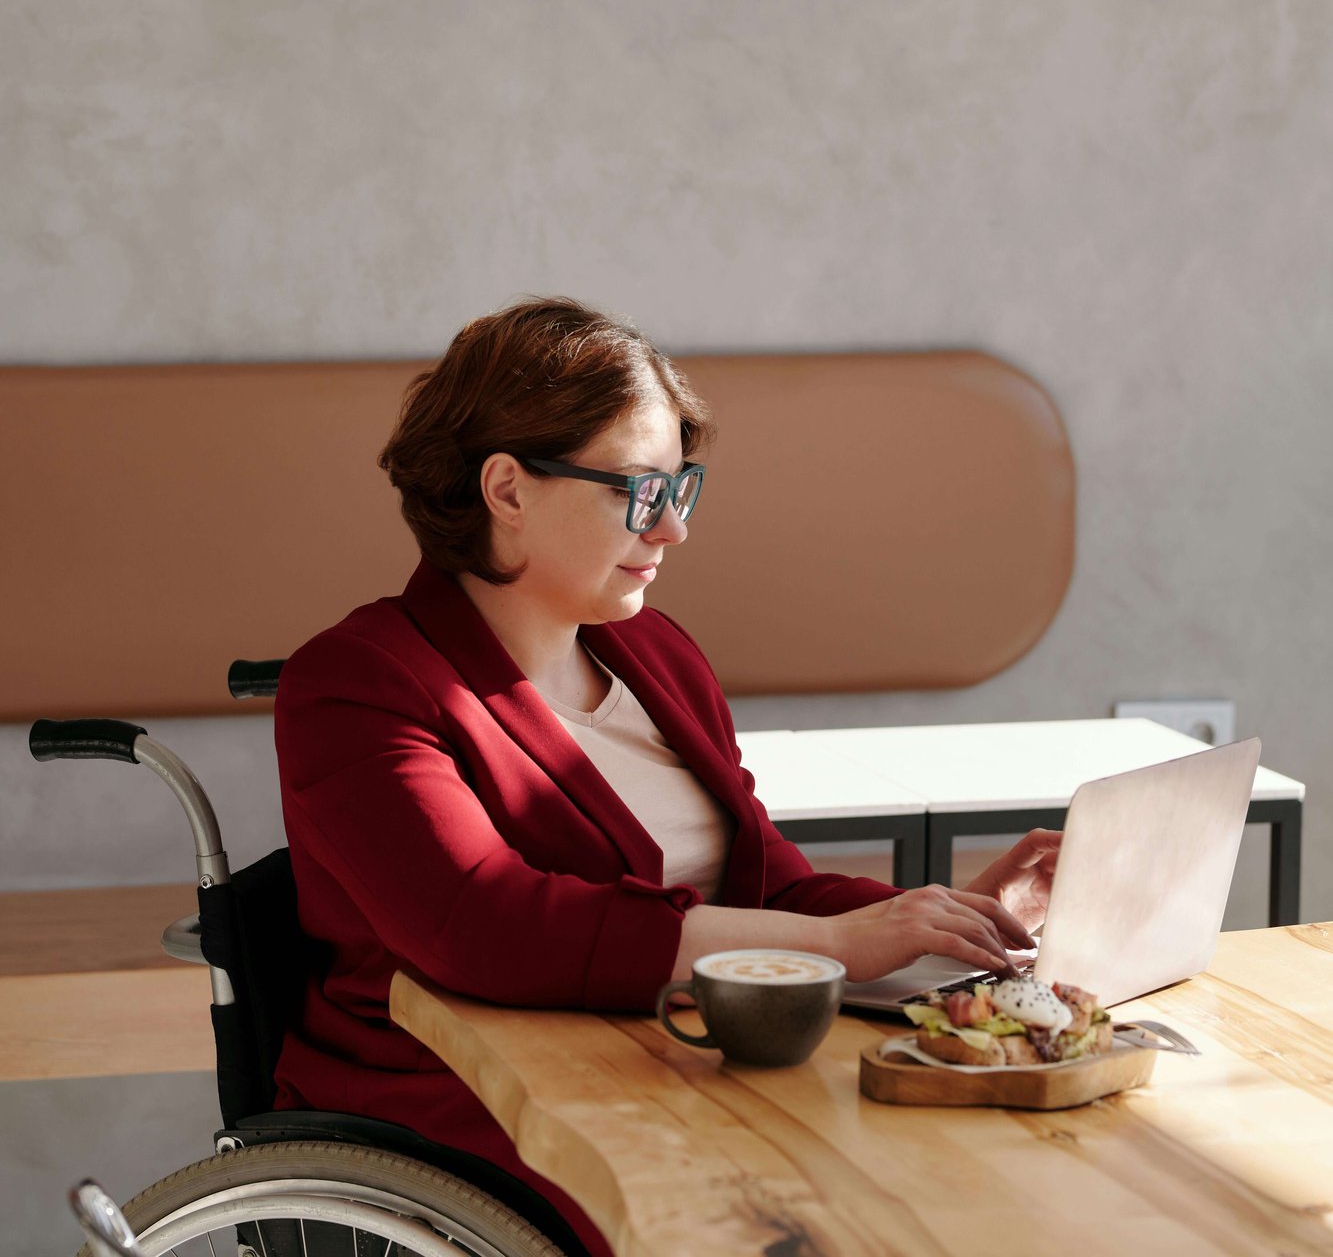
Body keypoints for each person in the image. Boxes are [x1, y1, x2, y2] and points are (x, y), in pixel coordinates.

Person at [273, 297, 1060, 1257]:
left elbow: (773, 888)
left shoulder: (656, 655)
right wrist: (844, 945)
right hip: (475, 1114)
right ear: (507, 490)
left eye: (680, 489)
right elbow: (484, 926)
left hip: (673, 1069)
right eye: (639, 492)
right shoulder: (359, 683)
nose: (673, 530)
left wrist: (940, 926)